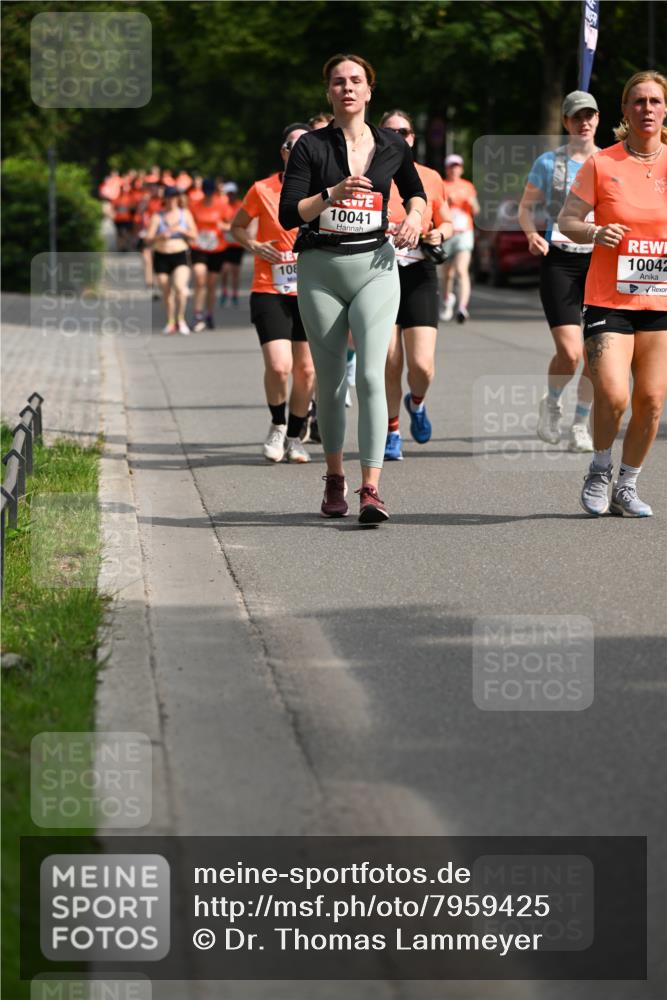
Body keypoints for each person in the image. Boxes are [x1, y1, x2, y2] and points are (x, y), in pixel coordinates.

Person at [279, 53, 426, 523]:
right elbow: (288, 213)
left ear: (369, 91)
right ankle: (334, 476)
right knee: (331, 381)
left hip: (376, 266)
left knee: (370, 376)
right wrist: (331, 195)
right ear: (329, 92)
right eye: (339, 82)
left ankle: (371, 488)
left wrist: (416, 217)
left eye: (356, 81)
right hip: (321, 268)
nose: (347, 88)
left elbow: (416, 191)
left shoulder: (391, 144)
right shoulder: (311, 146)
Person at [558, 70, 667, 517]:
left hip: (659, 300)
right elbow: (567, 221)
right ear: (624, 110)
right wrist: (595, 232)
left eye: (654, 101)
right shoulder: (603, 164)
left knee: (652, 400)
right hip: (609, 299)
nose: (646, 109)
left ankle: (627, 484)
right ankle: (600, 468)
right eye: (638, 101)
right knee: (614, 394)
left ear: (665, 109)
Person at [519, 91, 600, 453]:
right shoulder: (549, 163)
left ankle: (580, 423)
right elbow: (525, 208)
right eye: (576, 116)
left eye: (589, 115)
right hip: (561, 262)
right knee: (571, 353)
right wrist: (531, 234)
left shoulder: (610, 161)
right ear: (566, 122)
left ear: (598, 119)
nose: (584, 122)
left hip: (599, 262)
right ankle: (552, 403)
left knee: (597, 352)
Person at [231, 124, 315, 464]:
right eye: (293, 146)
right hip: (270, 288)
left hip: (313, 290)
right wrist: (253, 245)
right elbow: (236, 226)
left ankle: (295, 436)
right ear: (283, 152)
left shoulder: (325, 189)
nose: (299, 151)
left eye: (306, 145)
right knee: (280, 367)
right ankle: (278, 425)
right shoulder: (262, 189)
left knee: (306, 372)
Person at [379, 110, 452, 460]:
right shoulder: (370, 175)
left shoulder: (430, 177)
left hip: (418, 273)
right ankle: (392, 431)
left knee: (422, 365)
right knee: (390, 361)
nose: (398, 137)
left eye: (403, 132)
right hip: (379, 274)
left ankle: (417, 403)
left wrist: (440, 233)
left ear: (412, 138)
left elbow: (447, 221)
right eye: (389, 131)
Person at [144, 185, 198, 335]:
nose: (173, 200)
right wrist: (159, 236)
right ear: (165, 199)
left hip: (180, 254)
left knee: (180, 287)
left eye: (175, 197)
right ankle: (170, 321)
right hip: (161, 255)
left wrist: (182, 230)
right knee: (166, 291)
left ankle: (181, 319)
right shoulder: (157, 216)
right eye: (170, 197)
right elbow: (147, 239)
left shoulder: (185, 214)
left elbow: (195, 234)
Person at [440, 154, 479, 323]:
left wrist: (471, 203)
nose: (454, 169)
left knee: (461, 270)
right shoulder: (442, 185)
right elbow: (436, 208)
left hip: (464, 233)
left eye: (457, 166)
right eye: (451, 166)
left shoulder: (468, 186)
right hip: (447, 233)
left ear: (461, 169)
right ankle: (447, 300)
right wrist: (447, 203)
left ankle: (462, 307)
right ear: (447, 169)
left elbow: (477, 210)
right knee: (447, 273)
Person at [190, 178, 228, 331]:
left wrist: (223, 226)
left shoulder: (222, 205)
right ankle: (198, 314)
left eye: (210, 193)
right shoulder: (195, 205)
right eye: (206, 193)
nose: (208, 196)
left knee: (212, 284)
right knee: (200, 279)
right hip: (199, 247)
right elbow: (190, 224)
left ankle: (209, 314)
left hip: (217, 248)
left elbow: (232, 224)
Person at [220, 183, 245, 306]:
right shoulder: (223, 206)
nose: (230, 196)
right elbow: (219, 223)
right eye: (228, 194)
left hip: (237, 243)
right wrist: (231, 226)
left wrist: (230, 226)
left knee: (235, 271)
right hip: (225, 243)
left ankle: (235, 294)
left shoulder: (241, 205)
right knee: (224, 270)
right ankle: (224, 291)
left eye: (232, 194)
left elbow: (244, 222)